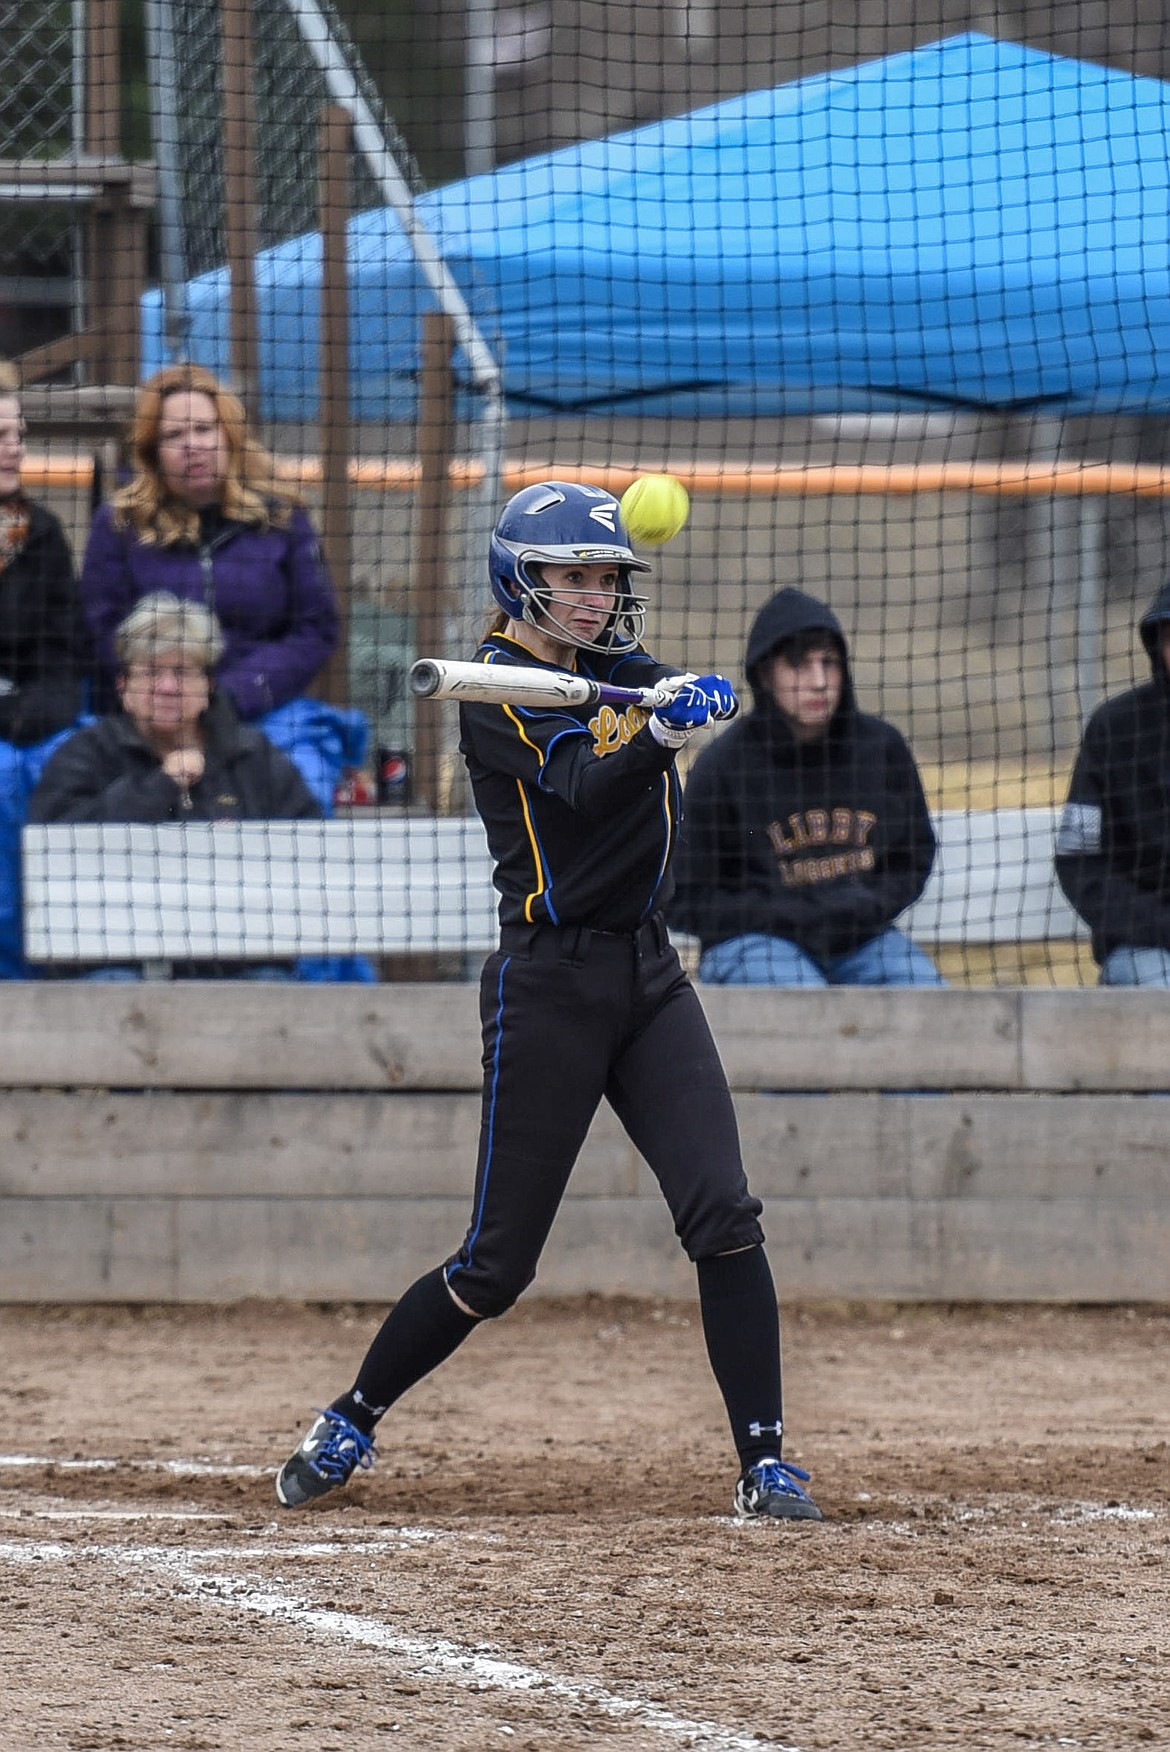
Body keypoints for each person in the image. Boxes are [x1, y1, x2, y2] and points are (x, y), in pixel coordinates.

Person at [275, 480, 823, 1523]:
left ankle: (766, 1460)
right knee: (495, 1266)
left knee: (725, 1217)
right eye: (574, 576)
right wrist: (659, 735)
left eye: (605, 577)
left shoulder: (618, 670)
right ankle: (353, 1412)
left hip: (651, 977)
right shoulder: (495, 692)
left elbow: (655, 691)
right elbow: (581, 786)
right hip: (549, 983)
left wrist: (688, 694)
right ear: (523, 583)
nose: (594, 595)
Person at [79, 363, 362, 815]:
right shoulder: (118, 525)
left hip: (265, 711)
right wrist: (174, 694)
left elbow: (315, 629)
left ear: (228, 436)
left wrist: (232, 692)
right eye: (174, 435)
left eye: (204, 429)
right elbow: (103, 626)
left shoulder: (282, 519)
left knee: (302, 789)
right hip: (152, 719)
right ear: (152, 451)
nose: (192, 444)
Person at [29, 592, 320, 981]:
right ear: (123, 687)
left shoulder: (256, 760)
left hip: (237, 962)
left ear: (207, 686)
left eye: (182, 672)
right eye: (150, 672)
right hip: (114, 959)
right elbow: (58, 852)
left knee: (270, 985)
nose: (167, 687)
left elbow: (305, 858)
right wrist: (160, 787)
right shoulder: (84, 756)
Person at [669, 586, 944, 988]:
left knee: (928, 1000)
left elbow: (913, 856)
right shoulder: (722, 766)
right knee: (804, 1005)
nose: (819, 682)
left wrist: (865, 907)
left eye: (829, 663)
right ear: (765, 673)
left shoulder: (881, 748)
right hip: (753, 943)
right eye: (798, 664)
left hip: (862, 941)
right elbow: (684, 897)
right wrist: (791, 914)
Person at [0, 360, 92, 978]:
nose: (14, 447)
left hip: (26, 714)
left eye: (19, 434)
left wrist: (21, 713)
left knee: (56, 769)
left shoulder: (42, 533)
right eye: (0, 435)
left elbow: (62, 654)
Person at [1056, 580, 1170, 986]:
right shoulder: (1115, 727)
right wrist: (1154, 924)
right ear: (1158, 645)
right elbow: (1080, 859)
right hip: (1144, 948)